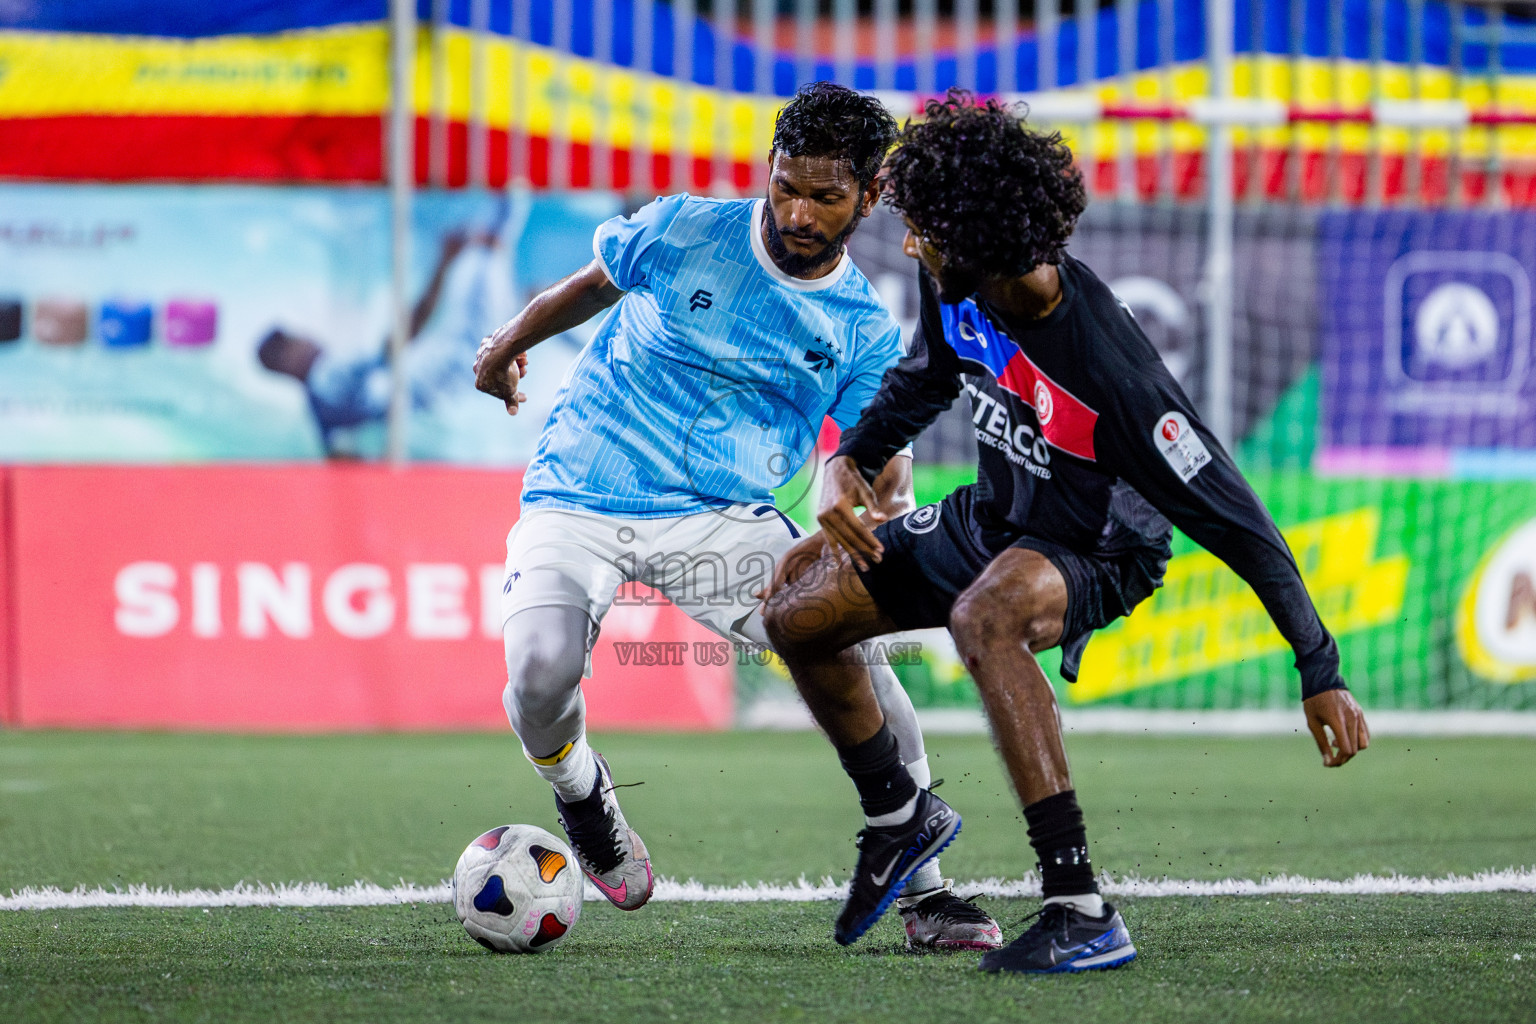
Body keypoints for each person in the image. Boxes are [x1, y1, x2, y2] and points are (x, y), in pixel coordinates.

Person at [761, 93, 1371, 972]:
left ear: (974, 236)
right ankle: (901, 817)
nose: (908, 243)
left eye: (924, 229)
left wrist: (1320, 669)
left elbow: (1242, 524)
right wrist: (855, 463)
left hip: (1098, 546)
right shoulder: (957, 282)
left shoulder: (1114, 376)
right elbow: (933, 373)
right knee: (795, 614)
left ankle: (1080, 906)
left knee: (985, 617)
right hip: (997, 516)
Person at [472, 83, 1001, 950]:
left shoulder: (862, 325)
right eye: (785, 185)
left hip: (727, 519)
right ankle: (583, 798)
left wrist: (879, 490)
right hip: (582, 489)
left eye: (825, 197)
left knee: (862, 668)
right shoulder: (684, 228)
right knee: (537, 673)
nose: (797, 210)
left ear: (868, 198)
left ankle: (929, 897)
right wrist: (507, 346)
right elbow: (595, 283)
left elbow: (877, 440)